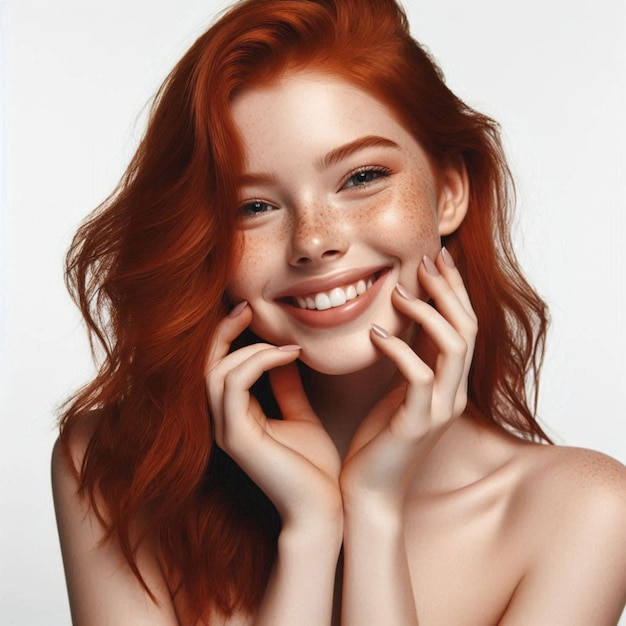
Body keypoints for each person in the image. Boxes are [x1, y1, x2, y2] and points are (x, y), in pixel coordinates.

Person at [51, 0, 626, 624]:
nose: (313, 240)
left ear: (451, 192)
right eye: (253, 208)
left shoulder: (584, 513)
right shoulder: (112, 471)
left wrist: (373, 512)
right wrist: (311, 533)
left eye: (362, 177)